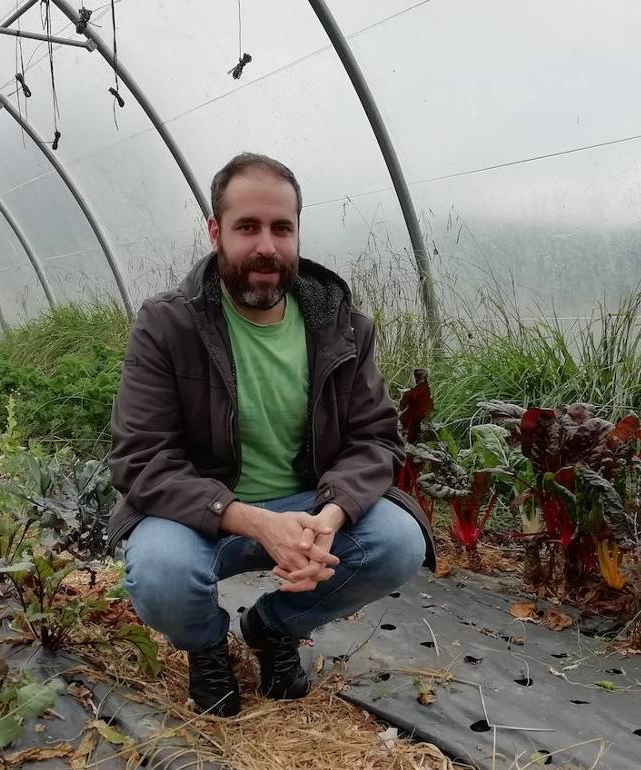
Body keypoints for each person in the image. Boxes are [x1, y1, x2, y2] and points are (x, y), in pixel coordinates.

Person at [107, 152, 433, 717]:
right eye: (248, 227)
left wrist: (328, 519)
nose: (267, 246)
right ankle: (208, 646)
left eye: (282, 228)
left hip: (308, 511)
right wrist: (256, 522)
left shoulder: (342, 326)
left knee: (400, 541)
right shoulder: (169, 325)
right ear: (216, 233)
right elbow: (141, 459)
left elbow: (376, 440)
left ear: (298, 232)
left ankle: (272, 627)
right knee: (159, 570)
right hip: (203, 518)